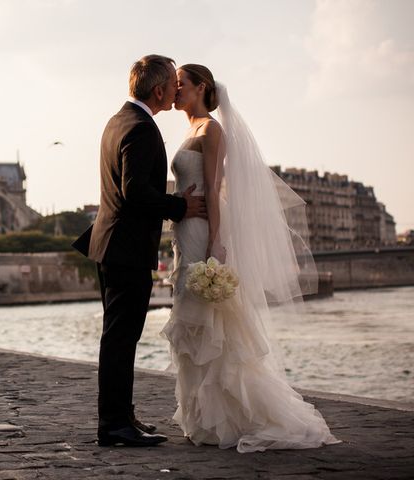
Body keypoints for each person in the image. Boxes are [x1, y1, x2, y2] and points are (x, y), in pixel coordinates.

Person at [161, 63, 341, 452]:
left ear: (201, 88)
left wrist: (216, 243)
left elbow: (214, 187)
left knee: (209, 321)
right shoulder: (191, 129)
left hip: (202, 232)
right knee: (191, 320)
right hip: (184, 232)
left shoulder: (211, 129)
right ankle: (205, 418)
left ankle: (228, 415)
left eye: (181, 85)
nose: (174, 91)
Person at [72, 55, 207, 447]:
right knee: (120, 337)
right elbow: (134, 190)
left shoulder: (118, 121)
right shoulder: (142, 129)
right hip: (125, 247)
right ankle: (114, 424)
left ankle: (122, 416)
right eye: (173, 87)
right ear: (160, 90)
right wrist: (180, 206)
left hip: (111, 244)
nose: (177, 92)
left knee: (119, 336)